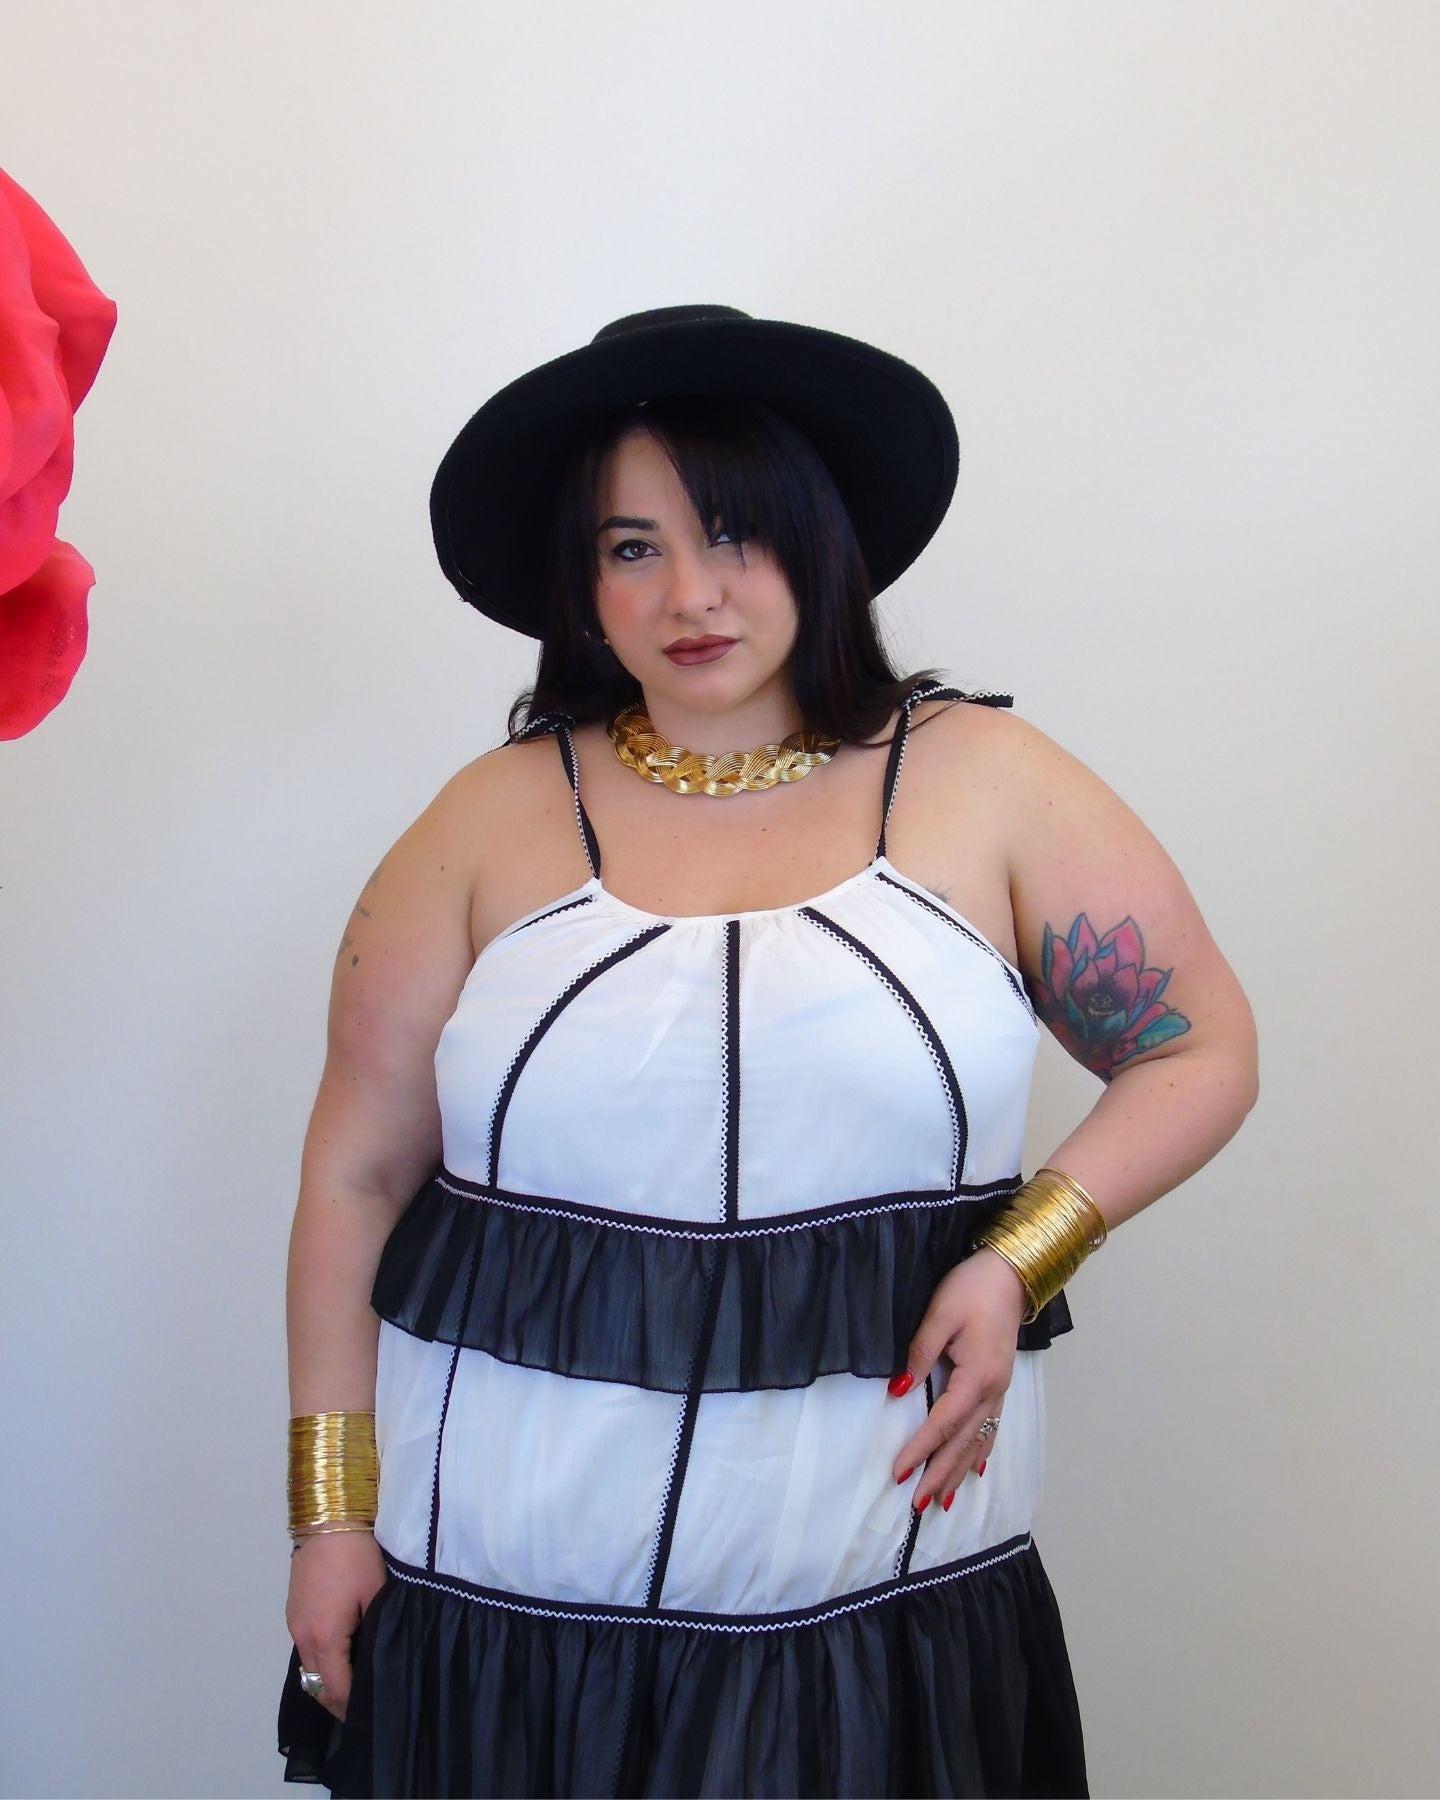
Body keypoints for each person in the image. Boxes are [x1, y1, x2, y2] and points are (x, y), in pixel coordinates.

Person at [277, 305, 1259, 1798]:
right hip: (496, 1587)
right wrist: (330, 1516)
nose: (691, 593)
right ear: (580, 582)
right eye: (632, 547)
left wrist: (1020, 1259)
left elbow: (1199, 1050)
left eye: (734, 533)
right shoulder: (484, 818)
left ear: (820, 540)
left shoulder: (987, 783)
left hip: (880, 1583)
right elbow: (354, 1176)